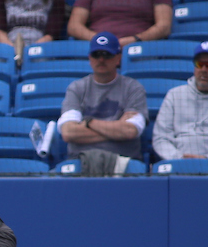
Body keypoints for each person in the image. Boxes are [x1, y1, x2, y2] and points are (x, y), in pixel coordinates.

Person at [58, 31, 149, 172]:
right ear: (90, 58)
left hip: (124, 162)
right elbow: (68, 132)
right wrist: (117, 129)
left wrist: (88, 123)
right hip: (80, 161)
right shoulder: (76, 88)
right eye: (96, 55)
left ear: (118, 58)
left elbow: (130, 131)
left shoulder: (133, 88)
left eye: (107, 55)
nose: (101, 59)